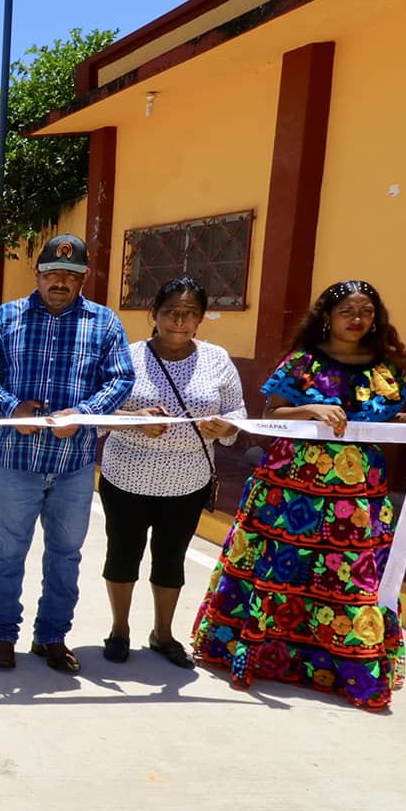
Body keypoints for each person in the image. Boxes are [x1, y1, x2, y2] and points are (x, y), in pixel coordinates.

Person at [192, 280, 406, 710]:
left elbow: (388, 417)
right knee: (281, 569)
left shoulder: (386, 368)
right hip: (291, 491)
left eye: (366, 311)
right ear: (327, 316)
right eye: (348, 310)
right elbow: (270, 413)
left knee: (350, 576)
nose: (357, 319)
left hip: (357, 495)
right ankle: (268, 658)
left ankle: (343, 670)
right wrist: (312, 408)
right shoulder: (304, 364)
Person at [0, 233, 135, 676]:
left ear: (83, 279)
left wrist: (84, 413)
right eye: (53, 273)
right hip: (17, 464)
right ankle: (2, 636)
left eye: (71, 275)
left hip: (74, 467)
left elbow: (120, 377)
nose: (61, 282)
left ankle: (52, 637)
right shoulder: (7, 317)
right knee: (8, 554)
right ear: (38, 274)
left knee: (65, 556)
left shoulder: (104, 323)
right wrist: (12, 407)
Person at [99, 277, 246, 666]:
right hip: (126, 477)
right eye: (170, 312)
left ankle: (163, 634)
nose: (179, 321)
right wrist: (132, 419)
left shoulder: (217, 360)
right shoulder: (127, 357)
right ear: (154, 314)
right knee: (122, 555)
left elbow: (237, 412)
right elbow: (97, 414)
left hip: (188, 481)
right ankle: (120, 630)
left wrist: (226, 427)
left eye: (189, 314)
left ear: (200, 319)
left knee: (171, 559)